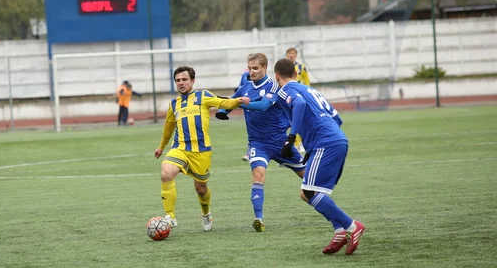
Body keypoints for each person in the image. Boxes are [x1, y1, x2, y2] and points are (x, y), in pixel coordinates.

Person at [241, 58, 365, 255]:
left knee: (308, 193)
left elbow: (298, 105)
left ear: (276, 76)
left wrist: (292, 136)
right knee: (308, 193)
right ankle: (340, 230)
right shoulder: (310, 90)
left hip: (326, 143)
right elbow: (337, 118)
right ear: (296, 74)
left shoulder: (285, 91)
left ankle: (351, 226)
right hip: (337, 140)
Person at [216, 53, 305, 232]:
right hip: (258, 143)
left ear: (265, 68)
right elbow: (231, 102)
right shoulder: (245, 87)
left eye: (255, 68)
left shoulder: (274, 86)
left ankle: (326, 203)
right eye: (249, 68)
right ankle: (259, 219)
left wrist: (238, 103)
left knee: (308, 177)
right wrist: (223, 110)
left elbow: (263, 106)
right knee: (258, 175)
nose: (251, 71)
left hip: (281, 143)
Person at [154, 66, 250, 231]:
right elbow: (168, 127)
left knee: (201, 189)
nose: (181, 83)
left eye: (184, 79)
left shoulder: (203, 96)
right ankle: (170, 217)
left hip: (201, 151)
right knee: (166, 172)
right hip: (180, 148)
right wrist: (161, 146)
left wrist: (238, 101)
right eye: (178, 80)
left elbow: (222, 102)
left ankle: (206, 213)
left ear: (192, 81)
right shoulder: (174, 104)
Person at [285, 47, 310, 155]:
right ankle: (295, 143)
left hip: (299, 97)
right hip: (289, 96)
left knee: (300, 119)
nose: (291, 55)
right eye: (290, 53)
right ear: (287, 55)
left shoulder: (301, 67)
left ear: (296, 55)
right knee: (290, 120)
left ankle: (300, 143)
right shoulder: (284, 68)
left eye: (293, 53)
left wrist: (307, 94)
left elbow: (307, 81)